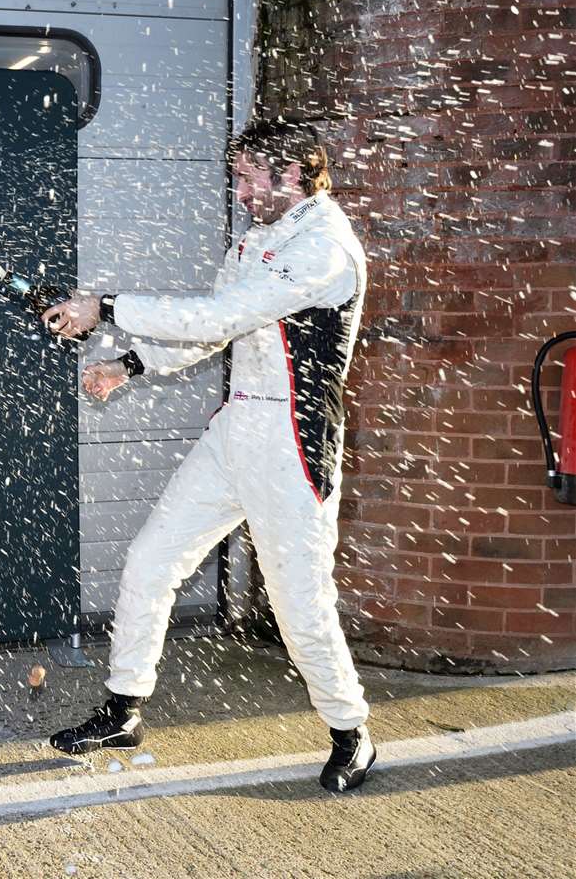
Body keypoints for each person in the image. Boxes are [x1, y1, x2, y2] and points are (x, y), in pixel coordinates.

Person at [42, 119, 376, 793]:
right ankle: (122, 709)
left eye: (251, 176)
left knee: (298, 603)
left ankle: (350, 732)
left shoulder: (324, 247)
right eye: (238, 176)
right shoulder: (257, 239)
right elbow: (218, 327)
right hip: (238, 427)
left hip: (294, 438)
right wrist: (131, 365)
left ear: (292, 173)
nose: (241, 189)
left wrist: (104, 306)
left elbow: (218, 319)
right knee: (149, 561)